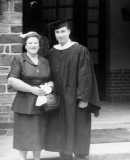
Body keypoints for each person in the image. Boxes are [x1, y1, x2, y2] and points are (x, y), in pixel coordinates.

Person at [45, 20, 101, 160]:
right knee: (60, 129)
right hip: (59, 99)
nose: (60, 35)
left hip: (75, 99)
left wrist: (83, 97)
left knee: (79, 127)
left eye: (63, 31)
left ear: (69, 32)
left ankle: (81, 157)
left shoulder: (80, 50)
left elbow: (85, 74)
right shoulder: (51, 52)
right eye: (57, 32)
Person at [8, 32, 53, 160]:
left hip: (41, 104)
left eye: (36, 43)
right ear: (25, 46)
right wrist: (31, 89)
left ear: (39, 46)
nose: (33, 45)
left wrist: (48, 87)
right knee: (24, 135)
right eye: (30, 43)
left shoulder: (45, 61)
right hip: (24, 104)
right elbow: (12, 80)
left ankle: (37, 158)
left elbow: (51, 79)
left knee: (38, 134)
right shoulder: (19, 59)